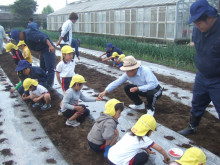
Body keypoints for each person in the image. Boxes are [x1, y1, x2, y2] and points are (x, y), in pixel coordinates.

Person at [178, 0, 220, 136]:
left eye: (199, 22)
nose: (196, 26)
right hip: (202, 76)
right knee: (197, 103)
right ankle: (192, 126)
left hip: (218, 79)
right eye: (195, 23)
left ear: (209, 17)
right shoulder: (197, 30)